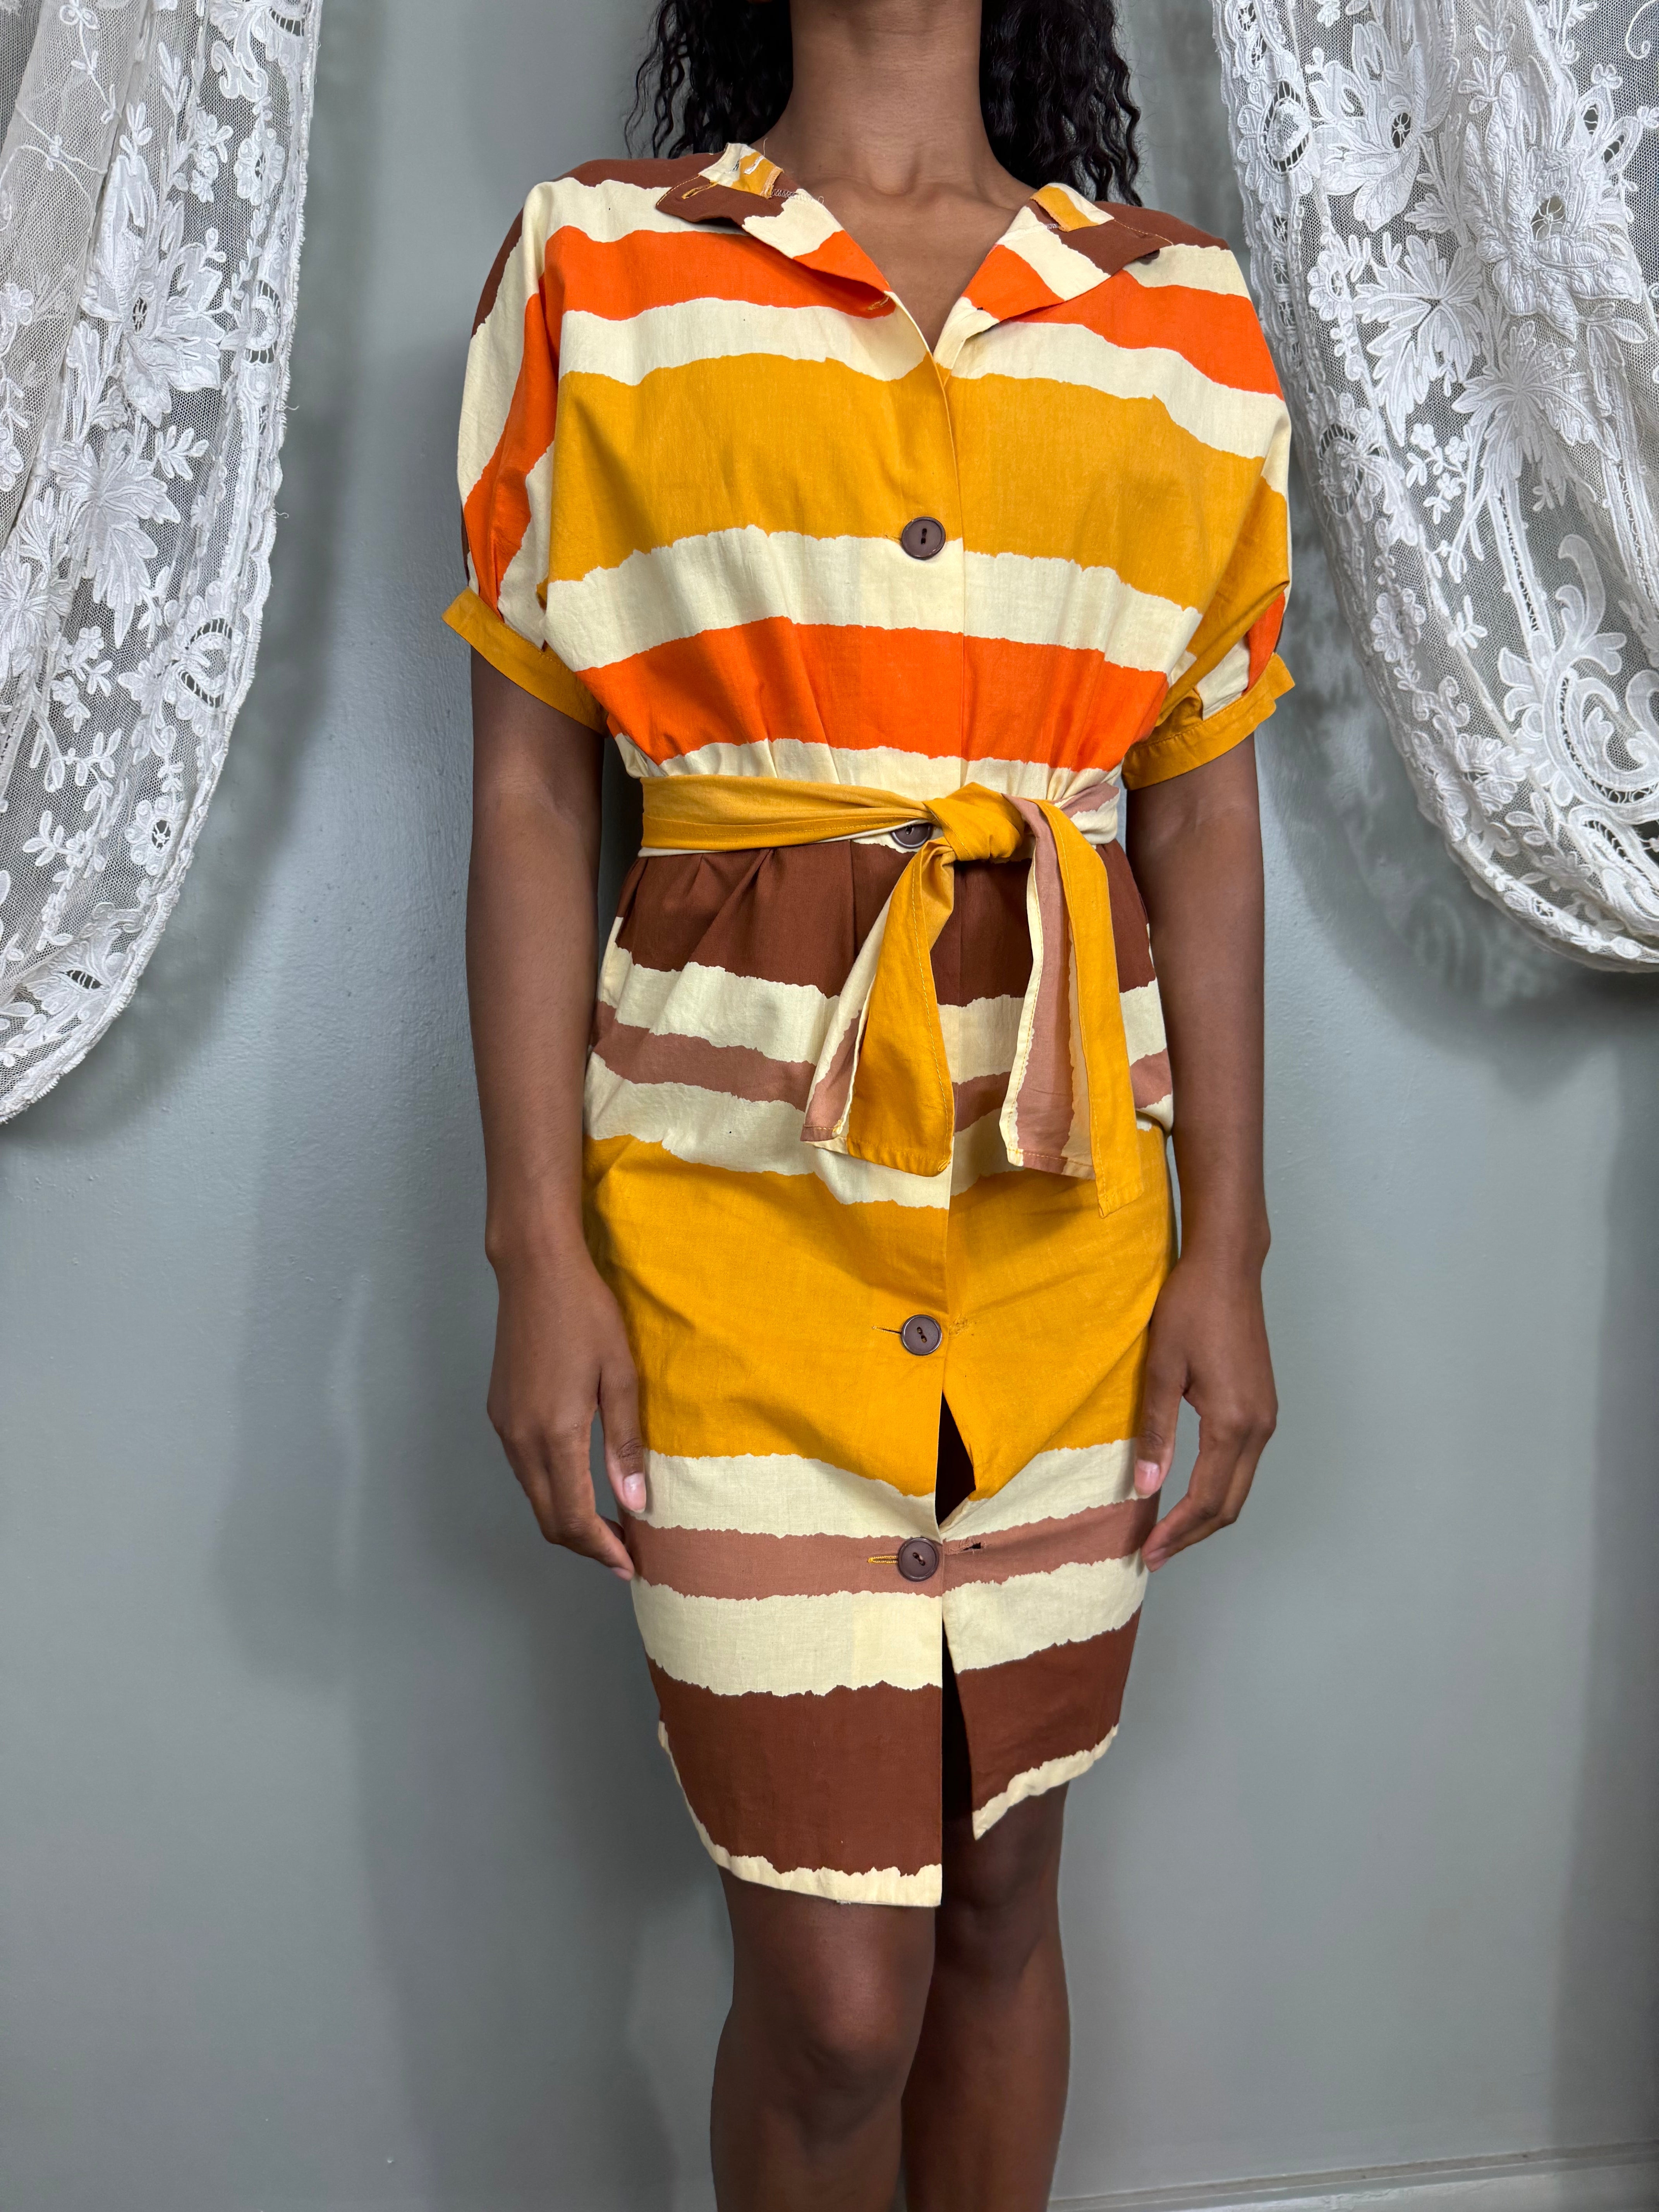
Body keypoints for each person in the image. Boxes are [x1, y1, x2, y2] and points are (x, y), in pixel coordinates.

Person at [445, 1, 1289, 2202]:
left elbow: (1204, 819)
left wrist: (1230, 1258)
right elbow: (533, 794)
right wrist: (534, 1254)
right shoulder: (600, 264)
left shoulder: (1178, 315)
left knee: (1006, 1885)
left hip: (1067, 1226)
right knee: (835, 1995)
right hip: (725, 1220)